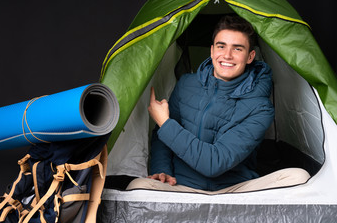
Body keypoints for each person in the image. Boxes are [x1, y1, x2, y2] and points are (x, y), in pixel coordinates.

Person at [127, 15, 310, 193]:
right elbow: (162, 136)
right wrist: (162, 171)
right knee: (136, 186)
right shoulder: (186, 84)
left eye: (237, 49)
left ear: (250, 56)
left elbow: (214, 163)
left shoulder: (260, 107)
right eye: (221, 46)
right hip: (182, 187)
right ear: (212, 50)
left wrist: (165, 123)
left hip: (235, 191)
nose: (227, 55)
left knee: (298, 177)